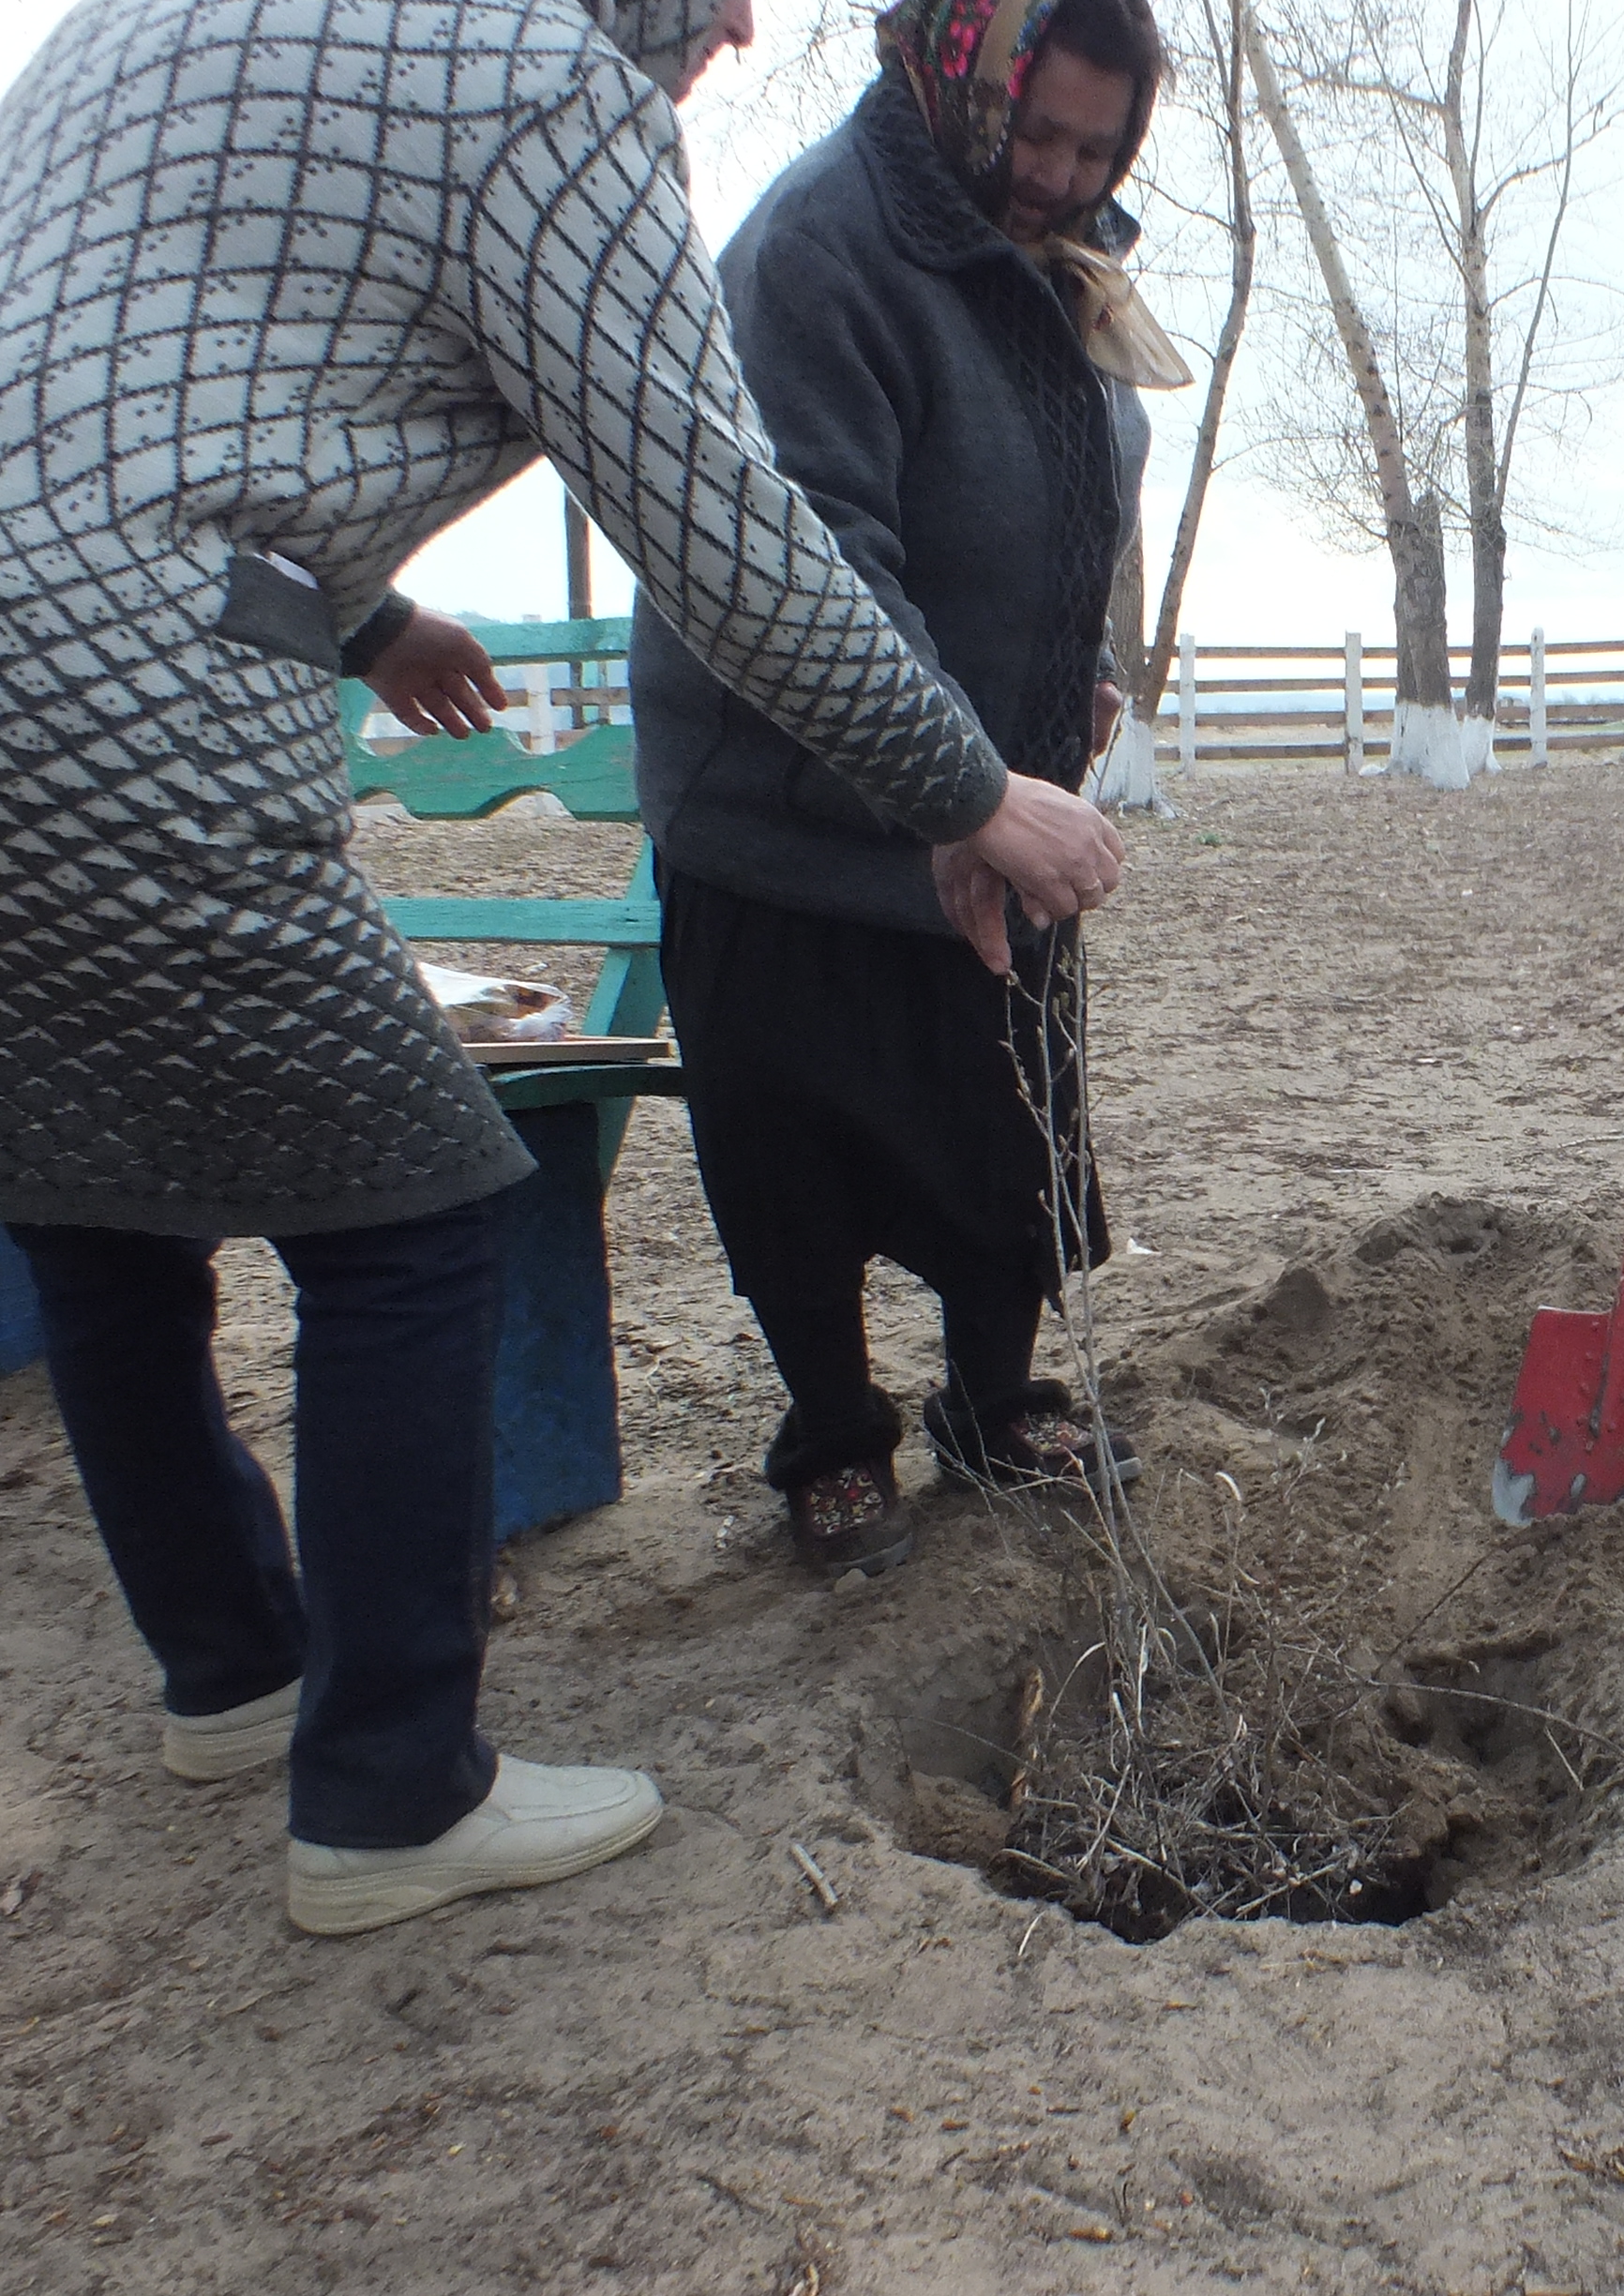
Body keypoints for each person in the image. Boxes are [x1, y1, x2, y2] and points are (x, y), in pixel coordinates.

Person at [0, 0, 1123, 1935]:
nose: (739, 28)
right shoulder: (543, 86)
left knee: (93, 1196)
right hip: (126, 696)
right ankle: (388, 1788)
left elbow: (133, 391)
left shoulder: (170, 19)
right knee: (422, 1212)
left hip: (73, 632)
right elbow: (729, 538)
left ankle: (238, 1673)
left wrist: (361, 617)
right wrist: (968, 789)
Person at [631, 0, 1173, 1582]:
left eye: (1098, 148)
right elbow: (825, 559)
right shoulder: (822, 247)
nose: (1060, 175)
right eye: (1039, 133)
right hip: (789, 816)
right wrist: (959, 773)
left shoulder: (1051, 263)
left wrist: (1059, 669)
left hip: (994, 791)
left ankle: (995, 1404)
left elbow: (1053, 484)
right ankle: (834, 1436)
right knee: (794, 1137)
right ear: (956, 77)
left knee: (1000, 1122)